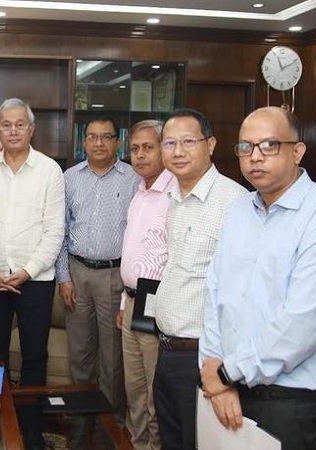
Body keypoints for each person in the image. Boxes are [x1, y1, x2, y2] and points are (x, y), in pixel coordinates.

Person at [199, 107, 316, 450]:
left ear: (297, 151)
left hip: (287, 399)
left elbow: (303, 324)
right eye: (246, 147)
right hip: (226, 385)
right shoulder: (238, 211)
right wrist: (214, 369)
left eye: (269, 145)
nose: (255, 157)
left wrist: (227, 373)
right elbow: (214, 294)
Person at [152, 108, 247, 450]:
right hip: (167, 349)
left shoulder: (235, 203)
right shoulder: (175, 198)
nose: (177, 151)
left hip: (203, 358)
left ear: (211, 144)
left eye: (188, 142)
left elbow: (243, 295)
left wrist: (225, 373)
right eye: (169, 143)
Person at [0, 97, 65, 387]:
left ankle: (31, 417)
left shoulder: (50, 170)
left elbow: (54, 232)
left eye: (20, 125)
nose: (13, 131)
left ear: (31, 129)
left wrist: (27, 271)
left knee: (34, 355)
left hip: (35, 280)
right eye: (6, 125)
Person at [55, 116, 139, 421]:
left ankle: (111, 421)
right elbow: (61, 231)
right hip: (77, 272)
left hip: (114, 275)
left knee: (113, 354)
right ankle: (81, 416)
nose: (98, 143)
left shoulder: (134, 179)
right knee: (79, 350)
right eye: (92, 137)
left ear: (118, 142)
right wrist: (64, 277)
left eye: (106, 137)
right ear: (84, 141)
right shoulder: (70, 178)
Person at [116, 119, 176, 450]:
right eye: (135, 148)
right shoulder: (139, 192)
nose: (139, 155)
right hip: (132, 301)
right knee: (134, 389)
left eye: (148, 147)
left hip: (158, 304)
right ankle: (137, 444)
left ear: (165, 149)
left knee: (154, 391)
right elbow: (133, 252)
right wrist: (124, 304)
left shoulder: (174, 194)